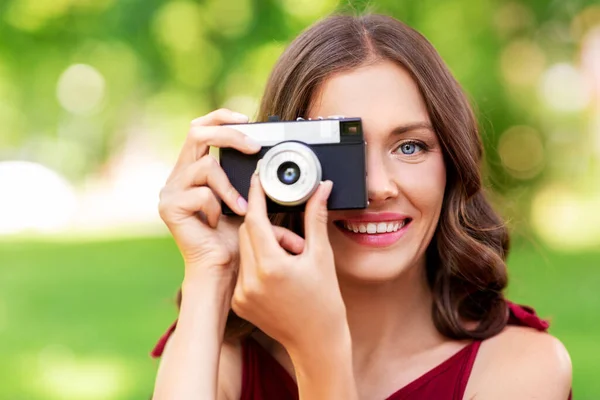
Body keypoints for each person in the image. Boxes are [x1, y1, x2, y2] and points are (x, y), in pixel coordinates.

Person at [151, 13, 572, 400]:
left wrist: (320, 349)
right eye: (341, 153)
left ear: (452, 162)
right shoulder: (218, 355)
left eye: (410, 147)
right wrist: (211, 271)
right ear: (280, 166)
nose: (377, 187)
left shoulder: (523, 368)